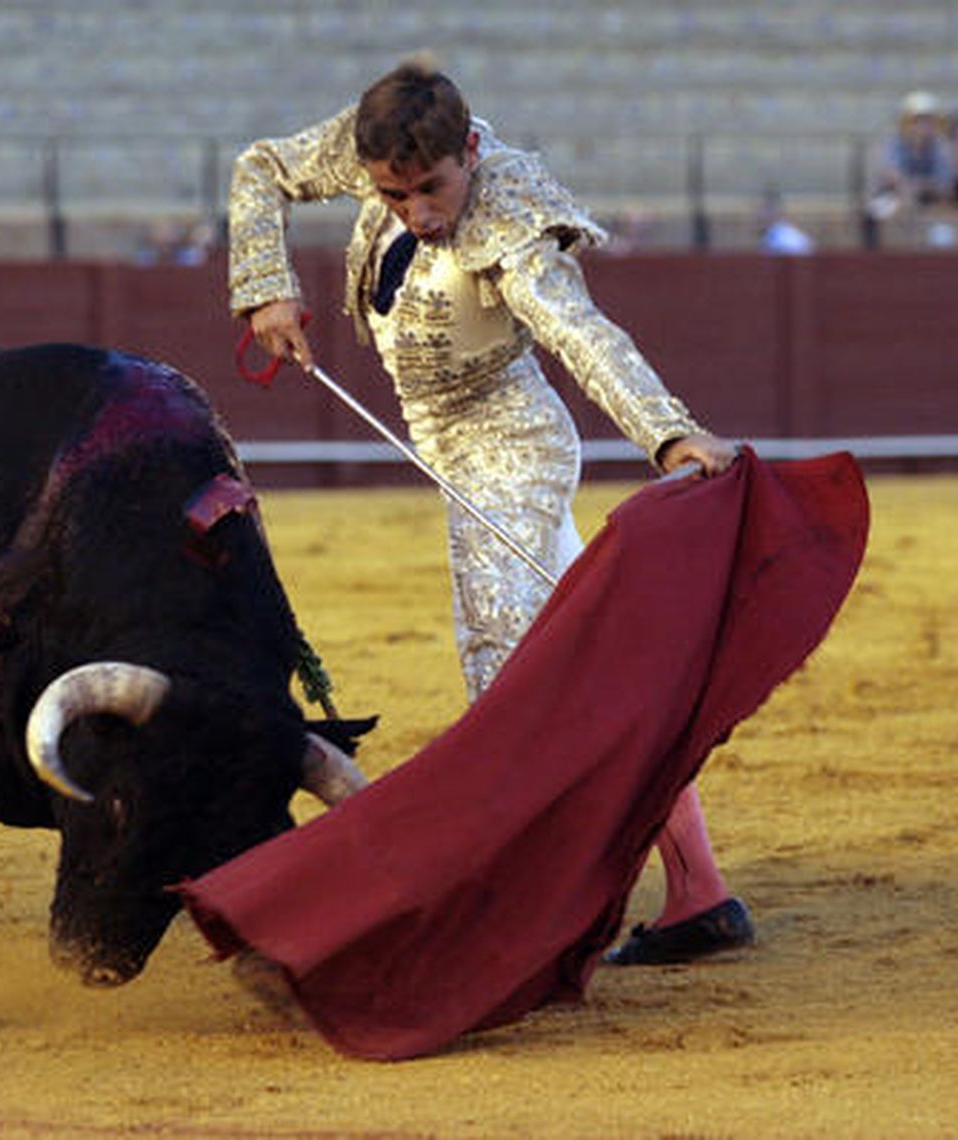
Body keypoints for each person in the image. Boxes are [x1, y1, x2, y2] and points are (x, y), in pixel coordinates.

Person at [228, 57, 752, 966]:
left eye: (431, 189)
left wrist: (669, 437)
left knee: (510, 676)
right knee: (599, 666)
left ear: (468, 151)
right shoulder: (375, 158)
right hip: (460, 457)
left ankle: (538, 900)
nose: (418, 214)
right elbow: (261, 166)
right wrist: (267, 286)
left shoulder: (511, 225)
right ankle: (699, 893)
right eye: (393, 196)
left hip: (511, 453)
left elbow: (582, 336)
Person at [867, 90, 955, 220]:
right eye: (918, 121)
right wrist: (913, 189)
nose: (925, 126)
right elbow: (893, 178)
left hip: (927, 202)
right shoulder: (894, 144)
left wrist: (918, 188)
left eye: (929, 121)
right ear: (907, 124)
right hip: (892, 200)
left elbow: (945, 186)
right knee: (885, 208)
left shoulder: (939, 147)